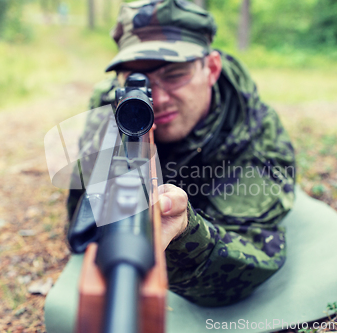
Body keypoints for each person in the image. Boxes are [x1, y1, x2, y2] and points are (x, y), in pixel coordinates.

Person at [66, 0, 295, 307]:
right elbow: (81, 210)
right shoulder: (112, 104)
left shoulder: (253, 130)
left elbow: (251, 260)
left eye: (174, 75)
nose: (156, 99)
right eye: (138, 80)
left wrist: (186, 233)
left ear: (211, 69)